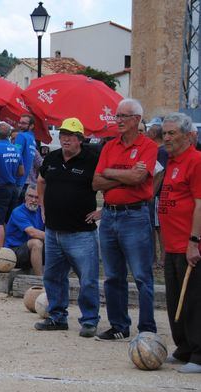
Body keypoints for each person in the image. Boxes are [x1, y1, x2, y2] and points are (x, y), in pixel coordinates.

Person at [92, 98, 157, 341]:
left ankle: (147, 328)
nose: (117, 120)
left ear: (137, 120)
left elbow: (140, 179)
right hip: (109, 215)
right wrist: (126, 175)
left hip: (135, 215)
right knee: (112, 275)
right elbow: (96, 182)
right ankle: (119, 325)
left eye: (123, 116)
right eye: (117, 116)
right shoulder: (109, 146)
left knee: (141, 275)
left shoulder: (148, 146)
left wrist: (111, 173)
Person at [34, 117, 101, 337]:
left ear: (80, 139)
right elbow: (41, 181)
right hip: (53, 231)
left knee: (88, 279)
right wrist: (42, 206)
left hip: (81, 232)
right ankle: (57, 317)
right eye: (63, 135)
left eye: (71, 136)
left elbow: (108, 184)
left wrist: (103, 210)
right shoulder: (52, 157)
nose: (66, 139)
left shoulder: (92, 158)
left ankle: (90, 320)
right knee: (53, 276)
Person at [157, 113, 201, 373]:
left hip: (190, 244)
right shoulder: (172, 162)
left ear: (188, 136)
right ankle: (183, 346)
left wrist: (194, 241)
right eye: (165, 133)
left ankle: (198, 353)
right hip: (172, 245)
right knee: (175, 300)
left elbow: (199, 204)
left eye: (172, 133)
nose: (167, 138)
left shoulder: (195, 161)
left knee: (194, 300)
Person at [0, 123, 23, 249]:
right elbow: (21, 172)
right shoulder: (16, 149)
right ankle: (8, 251)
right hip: (12, 188)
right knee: (8, 221)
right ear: (8, 135)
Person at [4, 184, 45, 276]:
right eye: (30, 196)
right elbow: (32, 232)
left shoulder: (41, 211)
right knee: (36, 242)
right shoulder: (18, 212)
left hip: (30, 251)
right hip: (13, 253)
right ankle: (40, 280)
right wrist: (54, 237)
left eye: (37, 197)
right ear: (25, 197)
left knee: (62, 243)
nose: (33, 200)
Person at [147, 122, 169, 266]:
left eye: (148, 132)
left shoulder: (161, 151)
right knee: (155, 227)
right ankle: (156, 258)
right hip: (157, 194)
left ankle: (160, 259)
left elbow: (159, 173)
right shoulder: (160, 150)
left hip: (157, 195)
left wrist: (151, 193)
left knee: (157, 227)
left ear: (154, 134)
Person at [14, 114, 39, 200]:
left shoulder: (21, 136)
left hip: (17, 181)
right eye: (20, 122)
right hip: (27, 183)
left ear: (31, 126)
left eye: (24, 123)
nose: (20, 125)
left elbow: (16, 156)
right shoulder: (32, 139)